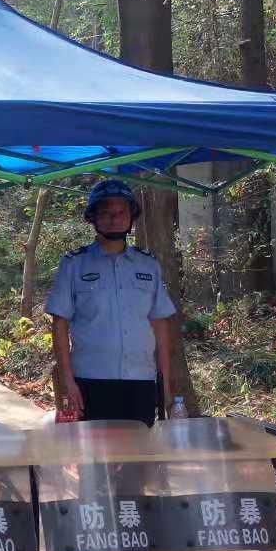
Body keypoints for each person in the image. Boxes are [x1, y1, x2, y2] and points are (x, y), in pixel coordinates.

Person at [46, 179, 177, 427]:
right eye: (105, 212)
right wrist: (68, 381)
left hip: (141, 382)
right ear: (93, 218)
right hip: (89, 382)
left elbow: (160, 326)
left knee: (139, 451)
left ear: (131, 217)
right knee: (93, 452)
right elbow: (60, 324)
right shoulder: (74, 264)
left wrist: (166, 387)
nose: (114, 218)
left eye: (121, 212)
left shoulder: (148, 265)